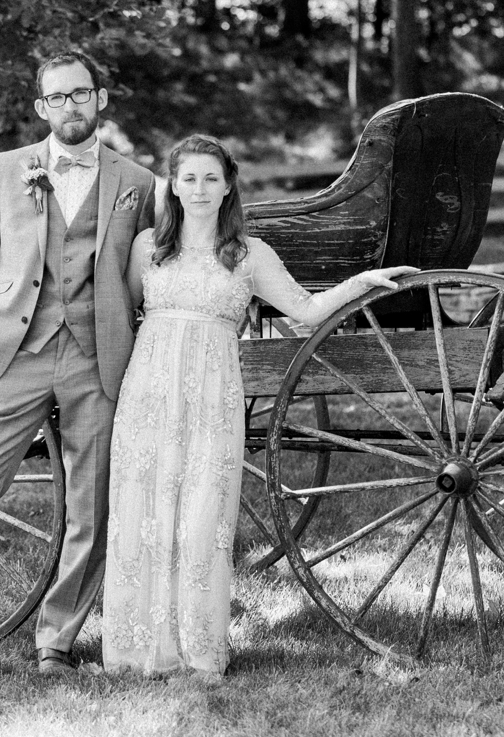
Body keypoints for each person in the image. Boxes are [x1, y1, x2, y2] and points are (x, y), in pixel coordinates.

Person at [100, 134, 417, 678]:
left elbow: (307, 310)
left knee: (202, 511)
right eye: (188, 179)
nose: (198, 190)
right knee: (142, 509)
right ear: (173, 187)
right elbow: (125, 312)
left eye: (210, 179)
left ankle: (196, 649)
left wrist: (361, 282)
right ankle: (135, 650)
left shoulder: (248, 255)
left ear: (227, 188)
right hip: (148, 390)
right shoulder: (148, 246)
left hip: (212, 394)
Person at [0, 51, 156, 680]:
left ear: (100, 99)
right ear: (41, 106)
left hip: (97, 358)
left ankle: (57, 641)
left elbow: (145, 269)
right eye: (57, 98)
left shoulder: (138, 183)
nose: (69, 107)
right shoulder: (3, 170)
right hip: (14, 354)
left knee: (91, 506)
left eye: (81, 94)